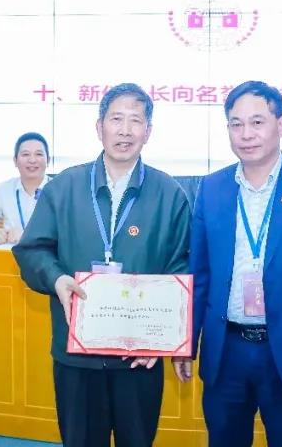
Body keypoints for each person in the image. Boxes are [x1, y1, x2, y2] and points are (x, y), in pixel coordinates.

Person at [12, 83, 191, 447]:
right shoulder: (64, 187)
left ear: (148, 131)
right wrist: (57, 279)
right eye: (116, 119)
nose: (125, 130)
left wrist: (165, 341)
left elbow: (182, 268)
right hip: (76, 357)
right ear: (99, 127)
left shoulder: (169, 194)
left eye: (135, 121)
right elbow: (31, 251)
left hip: (139, 358)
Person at [175, 80, 282, 447]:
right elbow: (199, 276)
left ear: (281, 125)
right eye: (235, 124)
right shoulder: (212, 188)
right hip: (226, 349)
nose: (246, 134)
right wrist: (185, 344)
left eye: (257, 122)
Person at [0, 132, 50, 245]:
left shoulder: (61, 190)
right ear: (15, 161)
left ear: (48, 160)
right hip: (10, 255)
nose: (32, 160)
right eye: (25, 154)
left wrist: (27, 236)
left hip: (48, 254)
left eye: (38, 154)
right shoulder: (5, 189)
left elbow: (70, 232)